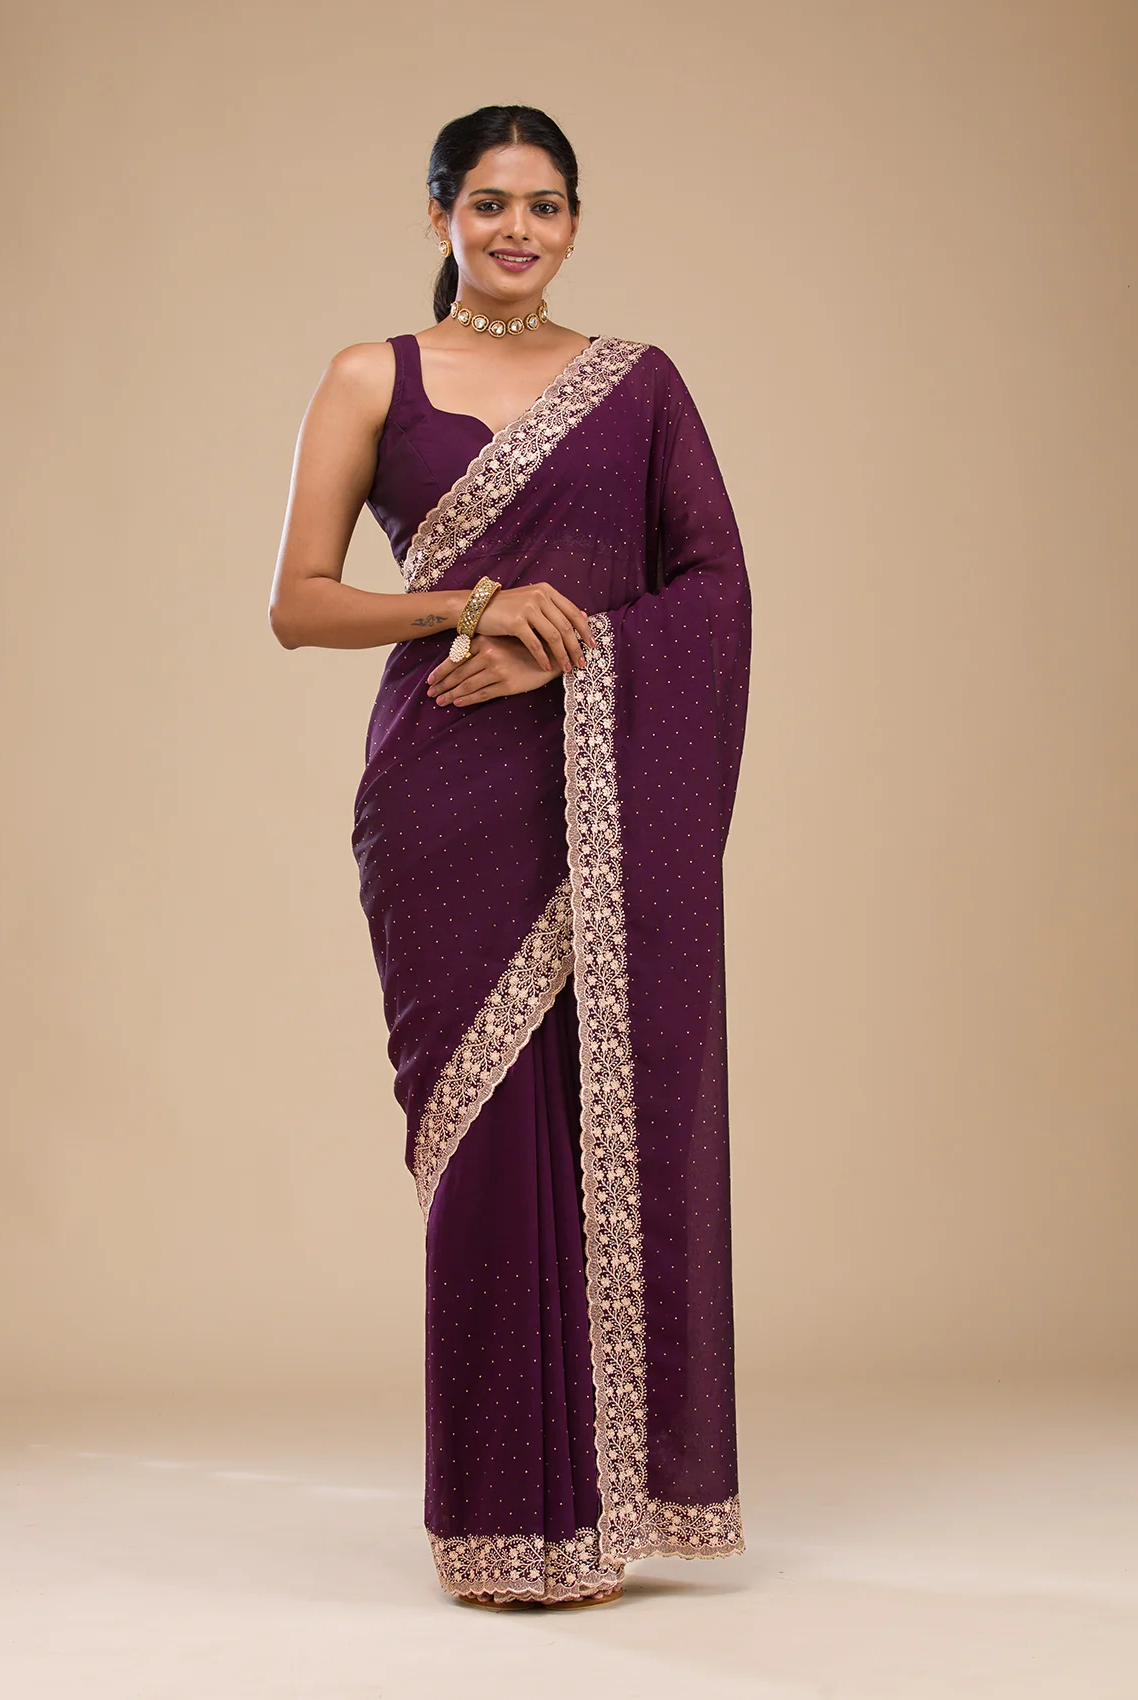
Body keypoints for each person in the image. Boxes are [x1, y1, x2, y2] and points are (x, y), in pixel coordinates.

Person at [268, 104, 753, 1610]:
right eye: (490, 203)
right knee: (484, 1150)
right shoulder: (372, 375)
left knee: (601, 1121)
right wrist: (473, 605)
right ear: (442, 219)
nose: (519, 230)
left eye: (545, 205)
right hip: (442, 796)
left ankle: (607, 1511)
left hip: (600, 791)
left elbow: (715, 589)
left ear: (576, 222)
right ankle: (502, 1518)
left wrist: (574, 644)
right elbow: (299, 603)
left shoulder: (640, 386)